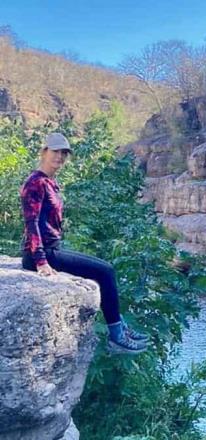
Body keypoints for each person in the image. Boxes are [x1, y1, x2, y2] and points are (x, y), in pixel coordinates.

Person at [20, 132, 149, 354]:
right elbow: (31, 223)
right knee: (105, 271)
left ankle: (120, 327)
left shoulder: (50, 182)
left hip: (52, 248)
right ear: (44, 151)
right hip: (40, 254)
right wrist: (41, 261)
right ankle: (117, 336)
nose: (60, 156)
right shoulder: (35, 183)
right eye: (55, 151)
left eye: (64, 153)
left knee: (104, 269)